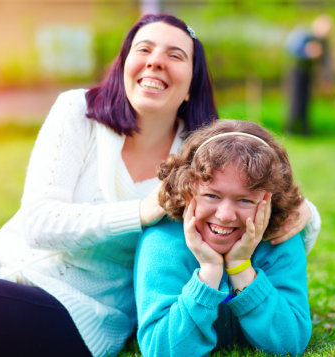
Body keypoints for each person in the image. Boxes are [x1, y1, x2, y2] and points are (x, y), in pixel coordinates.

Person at [0, 14, 319, 357]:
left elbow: (263, 201)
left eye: (175, 55)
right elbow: (38, 222)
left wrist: (303, 211)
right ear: (124, 65)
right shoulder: (78, 111)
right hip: (15, 256)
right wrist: (141, 211)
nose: (155, 61)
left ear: (191, 84)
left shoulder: (201, 154)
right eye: (144, 49)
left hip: (86, 306)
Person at [134, 120, 313, 356]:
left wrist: (241, 268)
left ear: (269, 201)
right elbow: (162, 349)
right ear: (187, 189)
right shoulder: (163, 241)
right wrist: (208, 273)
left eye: (245, 200)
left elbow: (290, 343)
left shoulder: (281, 237)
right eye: (211, 195)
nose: (225, 215)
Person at [285, 14, 334, 136]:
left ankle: (305, 130)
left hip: (309, 72)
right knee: (296, 101)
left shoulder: (323, 42)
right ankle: (290, 129)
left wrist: (327, 79)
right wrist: (307, 52)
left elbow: (326, 61)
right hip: (297, 70)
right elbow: (290, 48)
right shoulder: (303, 34)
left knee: (306, 102)